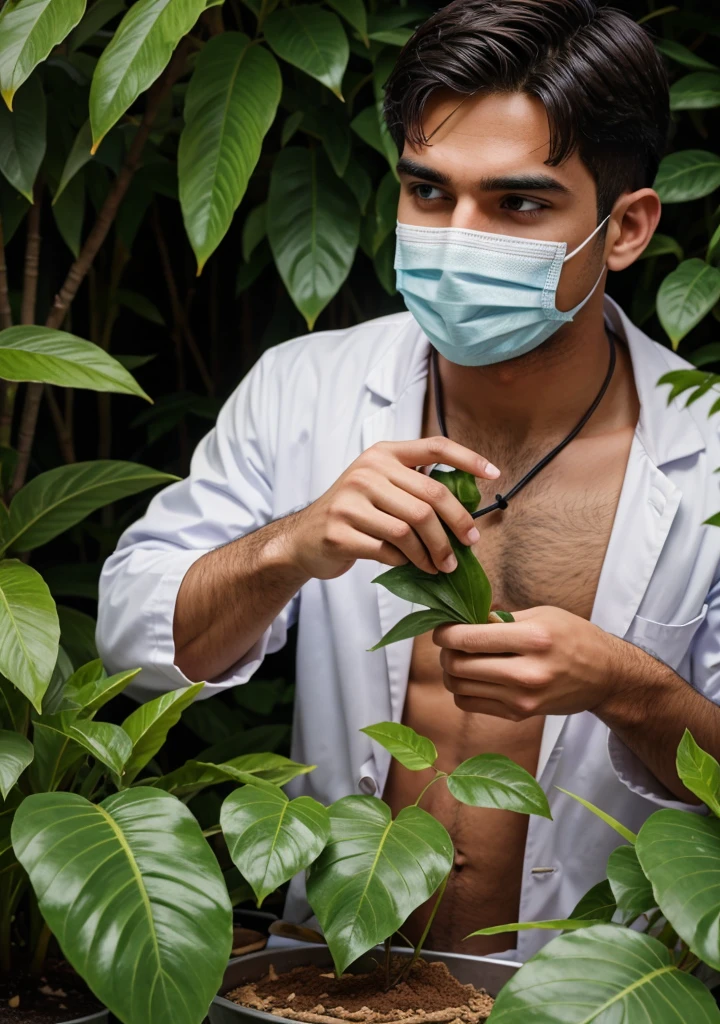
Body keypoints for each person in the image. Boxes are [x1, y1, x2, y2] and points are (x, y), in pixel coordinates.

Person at [97, 0, 720, 962]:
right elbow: (136, 653)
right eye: (429, 193)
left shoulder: (709, 455)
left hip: (591, 991)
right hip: (328, 980)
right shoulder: (304, 387)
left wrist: (626, 687)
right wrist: (290, 546)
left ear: (626, 228)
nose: (458, 234)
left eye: (517, 204)